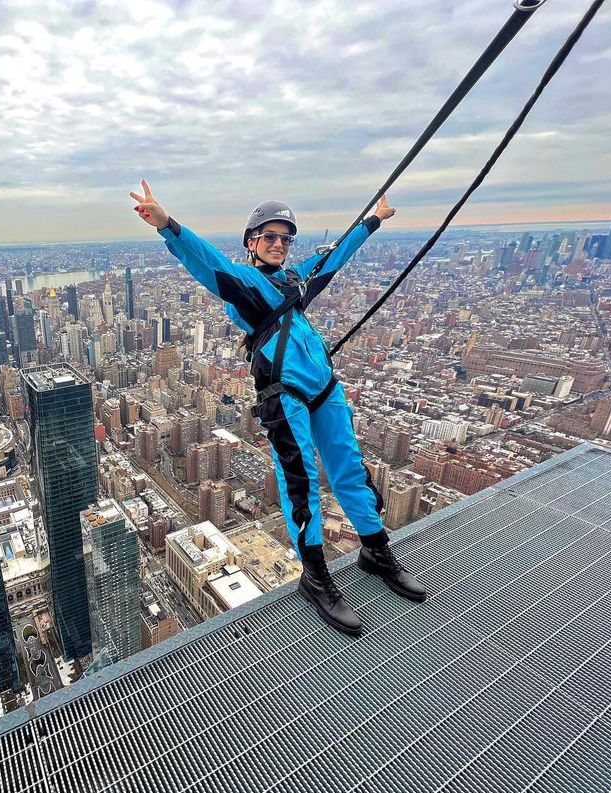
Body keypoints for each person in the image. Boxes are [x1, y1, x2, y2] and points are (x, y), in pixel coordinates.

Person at [130, 180, 425, 636]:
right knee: (300, 479)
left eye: (285, 239)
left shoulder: (295, 280)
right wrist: (169, 226)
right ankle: (316, 575)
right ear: (252, 242)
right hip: (283, 391)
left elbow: (332, 259)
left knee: (349, 466)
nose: (278, 245)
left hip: (323, 385)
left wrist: (372, 221)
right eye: (269, 237)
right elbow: (210, 265)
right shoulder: (247, 284)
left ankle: (375, 548)